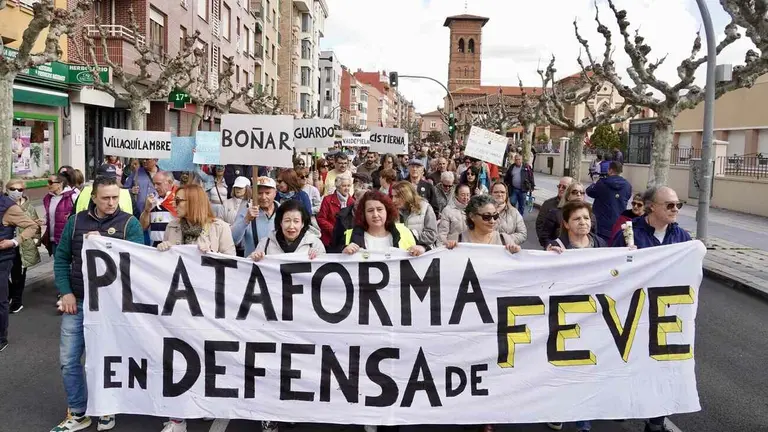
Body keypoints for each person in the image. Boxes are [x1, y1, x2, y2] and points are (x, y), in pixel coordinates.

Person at [52, 175, 144, 431]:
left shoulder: (130, 224)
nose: (111, 202)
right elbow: (61, 259)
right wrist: (65, 292)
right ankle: (79, 412)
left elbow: (137, 262)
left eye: (115, 197)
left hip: (111, 306)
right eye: (105, 198)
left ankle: (106, 407)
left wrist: (106, 244)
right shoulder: (76, 222)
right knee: (69, 360)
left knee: (106, 358)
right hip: (79, 301)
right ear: (94, 198)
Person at [156, 184, 235, 432]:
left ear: (194, 202)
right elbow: (162, 270)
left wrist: (213, 255)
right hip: (180, 306)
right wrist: (161, 252)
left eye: (179, 200)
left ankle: (203, 404)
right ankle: (178, 418)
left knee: (207, 358)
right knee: (178, 359)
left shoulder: (220, 228)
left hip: (210, 306)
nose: (174, 204)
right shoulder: (172, 227)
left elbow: (233, 265)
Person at [612, 186, 690, 432]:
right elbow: (608, 271)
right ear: (651, 206)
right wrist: (624, 260)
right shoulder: (628, 234)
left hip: (665, 319)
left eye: (678, 204)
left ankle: (655, 421)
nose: (675, 209)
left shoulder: (682, 238)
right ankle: (620, 403)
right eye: (669, 205)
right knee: (631, 364)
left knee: (662, 367)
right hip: (633, 316)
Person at [544, 201, 604, 432]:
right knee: (562, 369)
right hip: (564, 320)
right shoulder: (556, 246)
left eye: (587, 218)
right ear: (566, 224)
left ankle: (583, 421)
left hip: (592, 318)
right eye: (578, 219)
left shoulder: (601, 245)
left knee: (587, 369)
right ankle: (558, 409)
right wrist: (548, 259)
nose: (583, 222)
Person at [342, 190, 428, 258]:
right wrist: (344, 253)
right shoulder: (349, 237)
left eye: (379, 209)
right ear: (363, 214)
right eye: (370, 210)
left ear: (387, 211)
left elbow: (428, 253)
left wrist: (422, 248)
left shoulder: (405, 232)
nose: (375, 215)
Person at [6, 179, 41, 314]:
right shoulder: (4, 206)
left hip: (23, 246)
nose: (16, 192)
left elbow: (36, 227)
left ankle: (16, 301)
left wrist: (36, 241)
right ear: (7, 189)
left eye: (20, 190)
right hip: (6, 244)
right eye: (13, 189)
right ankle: (10, 293)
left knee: (18, 275)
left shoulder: (29, 207)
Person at [249, 199, 325, 261]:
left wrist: (319, 257)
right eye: (287, 220)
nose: (291, 226)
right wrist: (254, 258)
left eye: (296, 221)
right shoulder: (265, 243)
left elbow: (323, 271)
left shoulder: (314, 244)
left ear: (303, 224)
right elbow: (247, 269)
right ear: (280, 222)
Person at [444, 194, 522, 254]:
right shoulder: (456, 239)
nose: (492, 221)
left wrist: (516, 253)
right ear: (472, 216)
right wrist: (448, 250)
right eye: (486, 216)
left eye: (495, 216)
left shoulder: (505, 240)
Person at [231, 177, 280, 256]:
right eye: (259, 193)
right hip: (253, 263)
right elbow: (233, 240)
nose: (263, 197)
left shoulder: (282, 210)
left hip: (275, 264)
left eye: (267, 193)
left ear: (275, 193)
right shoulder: (246, 211)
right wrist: (246, 220)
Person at [586, 161, 632, 242]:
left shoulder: (602, 183)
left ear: (610, 170)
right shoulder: (627, 185)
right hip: (618, 224)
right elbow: (627, 197)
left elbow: (589, 192)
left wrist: (594, 182)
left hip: (601, 224)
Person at [539, 182, 591, 248]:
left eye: (582, 192)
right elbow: (544, 237)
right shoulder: (554, 214)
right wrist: (551, 247)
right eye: (575, 192)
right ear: (568, 196)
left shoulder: (591, 215)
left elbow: (593, 235)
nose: (578, 194)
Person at [329, 179, 372, 253]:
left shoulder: (375, 217)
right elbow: (335, 245)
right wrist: (344, 249)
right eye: (362, 200)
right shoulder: (342, 217)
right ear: (356, 199)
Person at [392, 181, 438, 247]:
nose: (393, 200)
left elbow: (432, 235)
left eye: (397, 196)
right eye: (393, 196)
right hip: (400, 254)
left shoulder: (425, 208)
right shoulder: (393, 211)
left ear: (407, 195)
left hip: (422, 253)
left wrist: (411, 235)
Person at [139, 171, 177, 247]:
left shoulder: (178, 199)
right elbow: (142, 227)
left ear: (170, 182)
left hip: (173, 245)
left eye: (158, 184)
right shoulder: (152, 199)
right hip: (156, 245)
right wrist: (147, 210)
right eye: (154, 184)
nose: (155, 187)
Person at [42, 173, 77, 256]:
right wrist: (44, 220)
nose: (47, 185)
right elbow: (49, 215)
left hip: (68, 239)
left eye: (50, 182)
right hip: (53, 239)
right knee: (58, 264)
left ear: (60, 184)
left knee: (68, 265)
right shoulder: (47, 198)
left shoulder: (73, 196)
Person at [317, 173, 353, 247]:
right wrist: (334, 230)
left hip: (347, 241)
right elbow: (321, 219)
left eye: (348, 186)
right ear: (338, 186)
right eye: (344, 186)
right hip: (330, 239)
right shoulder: (327, 200)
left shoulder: (352, 201)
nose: (347, 188)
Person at [536, 176, 573, 248]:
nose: (560, 189)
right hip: (552, 247)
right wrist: (547, 244)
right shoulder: (548, 204)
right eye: (559, 186)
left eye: (564, 187)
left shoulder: (577, 206)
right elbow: (540, 224)